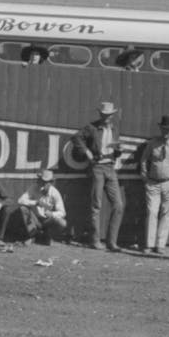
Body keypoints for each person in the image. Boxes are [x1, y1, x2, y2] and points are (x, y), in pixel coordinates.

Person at [72, 101, 125, 252]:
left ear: (112, 115)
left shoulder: (114, 129)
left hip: (110, 168)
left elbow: (116, 150)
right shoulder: (92, 127)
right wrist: (87, 152)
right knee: (96, 205)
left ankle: (112, 242)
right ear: (100, 114)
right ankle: (95, 240)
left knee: (118, 205)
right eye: (104, 115)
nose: (107, 117)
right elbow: (76, 138)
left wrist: (119, 150)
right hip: (97, 167)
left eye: (109, 115)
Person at [139, 115, 169, 255]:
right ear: (160, 129)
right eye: (164, 129)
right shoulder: (153, 143)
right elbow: (144, 159)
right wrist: (144, 175)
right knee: (152, 212)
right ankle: (149, 244)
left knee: (167, 214)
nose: (166, 132)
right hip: (153, 183)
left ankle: (160, 245)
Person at [0, 169, 67, 245]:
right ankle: (32, 235)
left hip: (47, 221)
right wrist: (35, 202)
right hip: (35, 219)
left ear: (51, 183)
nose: (43, 184)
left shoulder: (55, 193)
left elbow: (62, 212)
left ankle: (47, 236)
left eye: (45, 182)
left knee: (62, 223)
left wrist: (52, 214)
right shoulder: (34, 187)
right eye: (42, 181)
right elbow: (20, 200)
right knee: (23, 209)